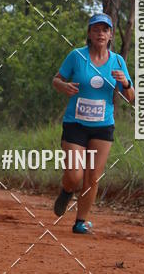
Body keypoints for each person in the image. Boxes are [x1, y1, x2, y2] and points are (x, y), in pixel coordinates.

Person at [52, 13, 134, 234]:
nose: (100, 33)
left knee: (93, 175)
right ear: (89, 33)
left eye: (105, 30)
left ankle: (80, 221)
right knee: (74, 175)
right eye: (96, 29)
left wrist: (125, 82)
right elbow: (56, 79)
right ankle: (67, 190)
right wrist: (64, 86)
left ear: (111, 35)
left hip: (103, 125)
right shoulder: (77, 56)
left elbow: (131, 97)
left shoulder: (117, 61)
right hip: (76, 123)